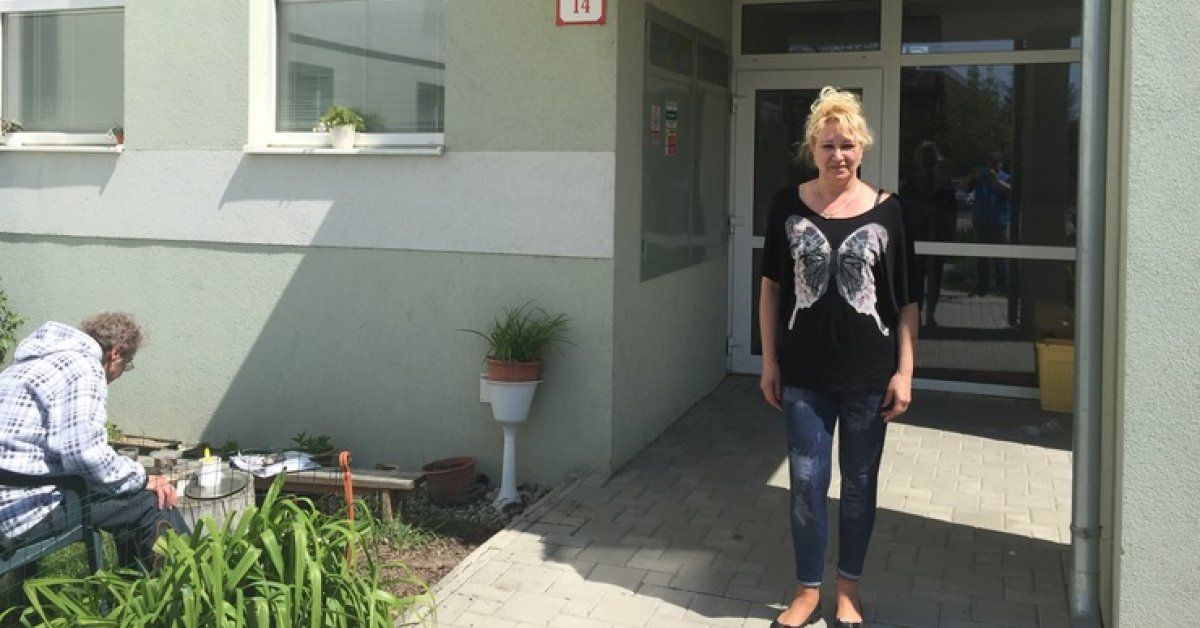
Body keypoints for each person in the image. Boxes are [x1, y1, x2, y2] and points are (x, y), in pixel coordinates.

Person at [759, 87, 920, 628]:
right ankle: (807, 591)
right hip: (803, 376)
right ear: (812, 149)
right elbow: (770, 288)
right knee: (806, 484)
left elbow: (906, 302)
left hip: (868, 379)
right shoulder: (787, 205)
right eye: (827, 145)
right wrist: (769, 361)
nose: (838, 155)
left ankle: (848, 591)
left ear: (862, 148)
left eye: (847, 145)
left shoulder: (890, 211)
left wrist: (904, 372)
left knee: (858, 485)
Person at [0, 312, 188, 572]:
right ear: (116, 353)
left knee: (123, 491)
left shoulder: (29, 364)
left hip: (10, 495)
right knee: (152, 502)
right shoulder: (84, 366)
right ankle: (170, 590)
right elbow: (84, 455)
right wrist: (143, 478)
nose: (120, 374)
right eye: (127, 365)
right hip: (20, 514)